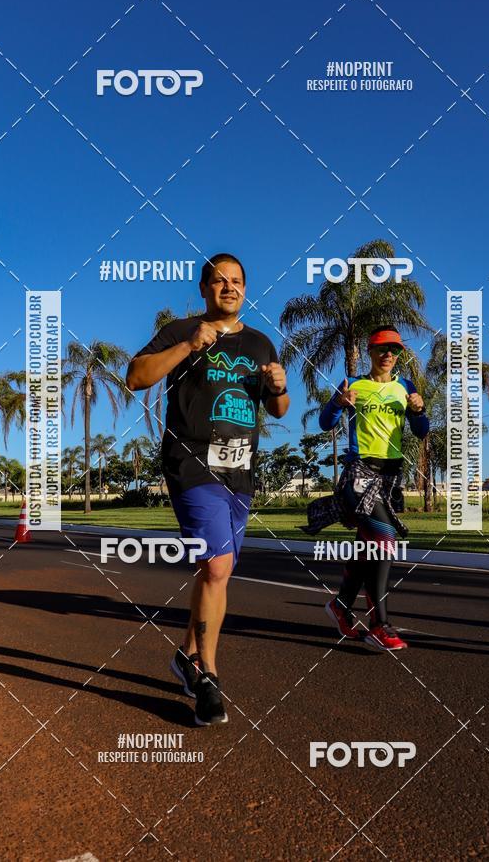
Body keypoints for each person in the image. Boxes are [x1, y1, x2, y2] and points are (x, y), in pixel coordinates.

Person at [126, 253, 289, 724]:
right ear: (204, 289)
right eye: (219, 281)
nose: (229, 287)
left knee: (218, 569)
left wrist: (279, 386)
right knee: (216, 565)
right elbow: (136, 377)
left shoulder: (260, 343)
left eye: (236, 281)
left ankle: (186, 654)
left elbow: (277, 410)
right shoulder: (181, 331)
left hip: (240, 471)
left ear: (245, 289)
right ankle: (207, 675)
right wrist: (188, 346)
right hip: (192, 464)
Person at [305, 326, 429, 651]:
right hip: (359, 472)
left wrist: (419, 410)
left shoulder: (405, 387)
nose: (388, 354)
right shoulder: (353, 383)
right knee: (385, 540)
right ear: (370, 352)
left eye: (394, 350)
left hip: (390, 477)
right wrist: (338, 402)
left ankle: (341, 606)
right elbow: (325, 423)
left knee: (367, 549)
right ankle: (379, 625)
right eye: (382, 348)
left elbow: (421, 430)